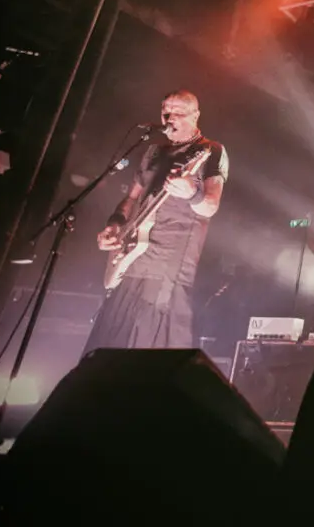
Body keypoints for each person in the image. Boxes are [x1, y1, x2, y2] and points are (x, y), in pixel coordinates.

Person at [85, 90, 229, 351]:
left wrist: (192, 193)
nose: (169, 117)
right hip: (130, 264)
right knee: (106, 348)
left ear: (196, 116)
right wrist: (116, 223)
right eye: (165, 111)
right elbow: (130, 199)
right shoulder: (153, 152)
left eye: (178, 112)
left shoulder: (210, 151)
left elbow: (210, 206)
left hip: (166, 271)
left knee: (148, 352)